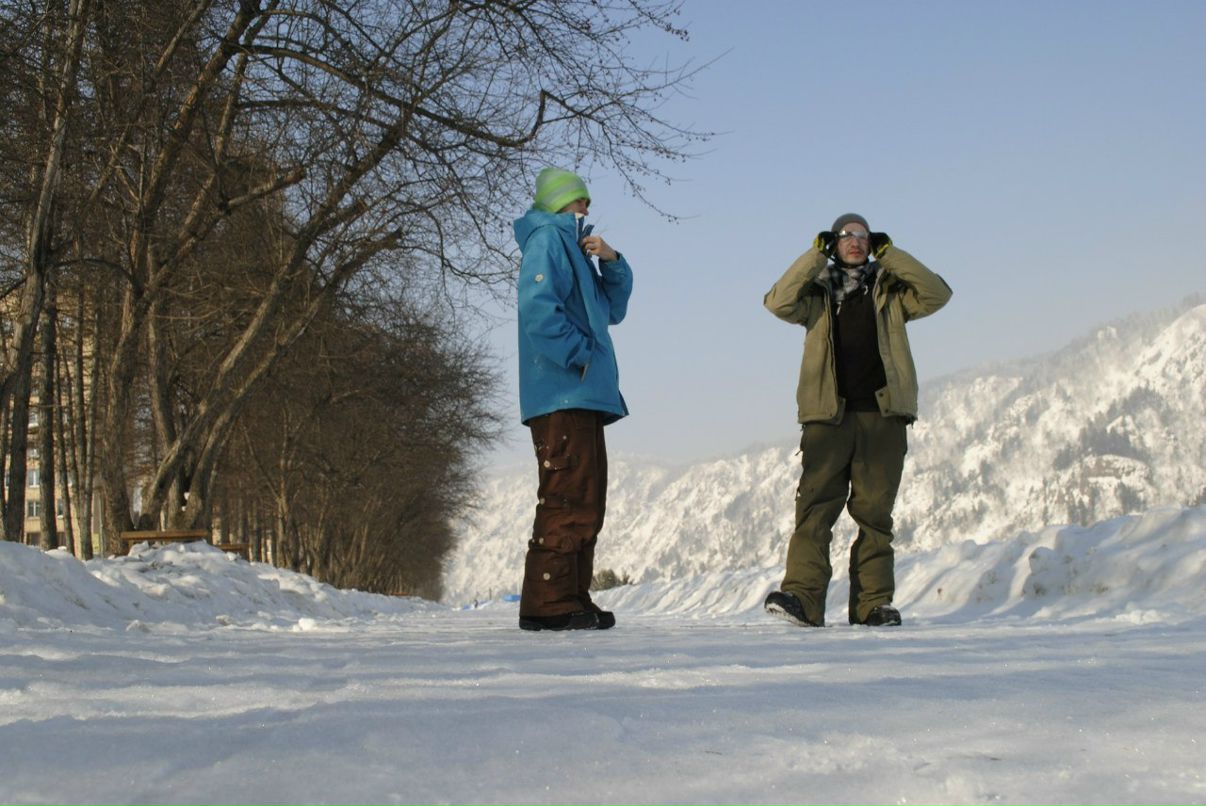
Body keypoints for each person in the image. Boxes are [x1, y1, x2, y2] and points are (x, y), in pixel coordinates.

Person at [762, 213, 951, 628]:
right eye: (846, 235)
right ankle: (802, 599)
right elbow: (777, 302)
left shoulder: (893, 291)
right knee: (815, 511)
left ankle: (872, 605)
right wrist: (814, 255)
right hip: (827, 416)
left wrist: (892, 256)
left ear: (874, 243)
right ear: (833, 241)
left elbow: (937, 294)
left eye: (864, 236)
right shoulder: (816, 294)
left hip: (883, 416)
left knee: (875, 516)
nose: (855, 241)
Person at [513, 168, 633, 631]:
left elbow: (613, 310)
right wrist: (579, 356)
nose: (587, 209)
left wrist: (612, 259)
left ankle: (571, 595)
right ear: (563, 202)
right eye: (581, 201)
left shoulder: (578, 250)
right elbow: (537, 309)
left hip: (582, 396)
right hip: (561, 393)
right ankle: (547, 600)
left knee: (586, 498)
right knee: (566, 496)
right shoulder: (547, 240)